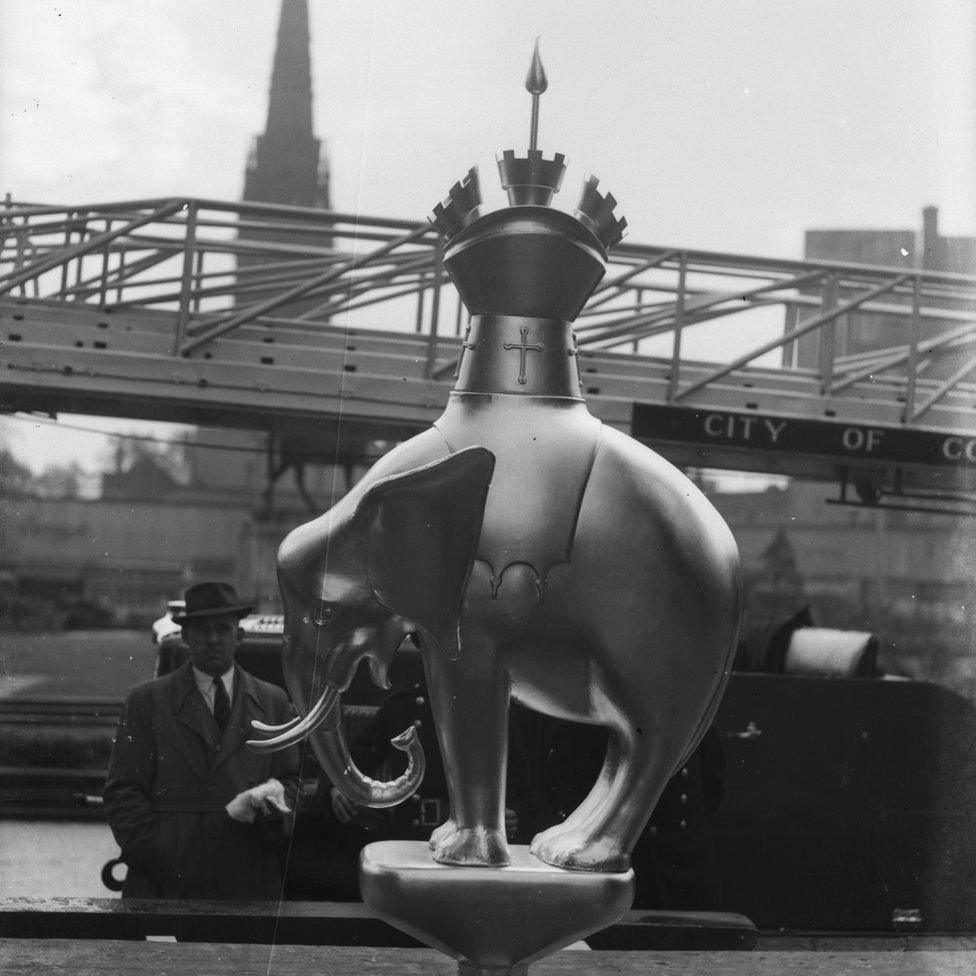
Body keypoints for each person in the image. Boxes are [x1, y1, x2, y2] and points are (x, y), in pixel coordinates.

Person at [103, 581, 300, 899]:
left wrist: (272, 813)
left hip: (247, 872)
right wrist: (160, 851)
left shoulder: (273, 700)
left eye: (222, 629)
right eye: (200, 629)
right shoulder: (147, 700)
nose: (212, 639)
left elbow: (291, 782)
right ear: (184, 637)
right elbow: (122, 791)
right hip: (165, 877)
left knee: (240, 951)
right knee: (157, 951)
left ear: (239, 636)